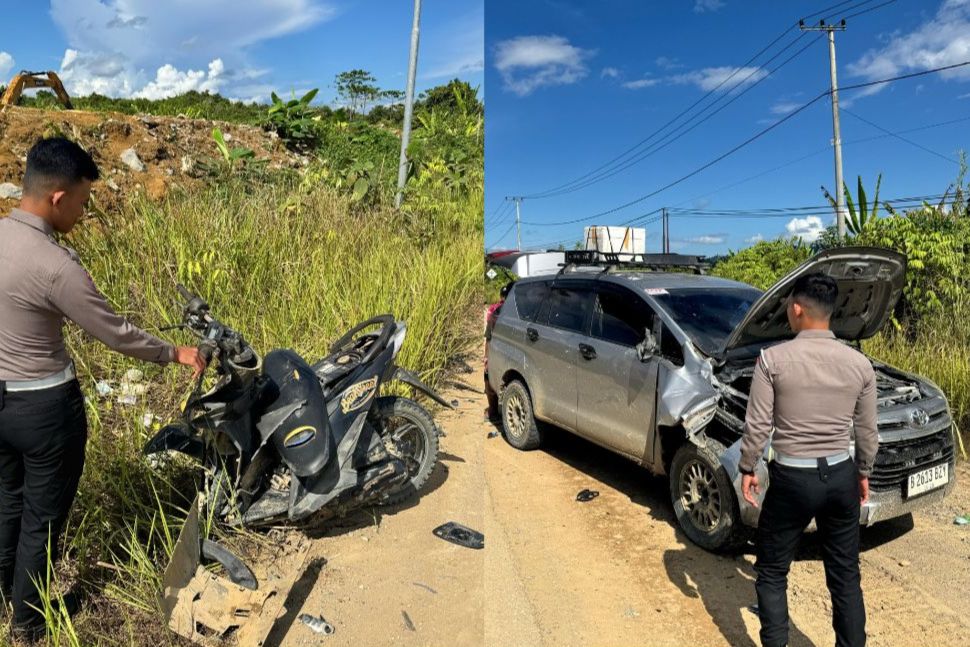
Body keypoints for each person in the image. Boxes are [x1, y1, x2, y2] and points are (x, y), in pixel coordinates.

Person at [0, 138, 205, 640]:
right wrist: (174, 353)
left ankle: (8, 592)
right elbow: (115, 333)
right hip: (45, 409)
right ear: (56, 198)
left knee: (7, 499)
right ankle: (28, 622)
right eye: (83, 201)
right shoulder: (55, 265)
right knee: (43, 517)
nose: (84, 212)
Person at [739, 272, 878, 647]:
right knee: (845, 575)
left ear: (797, 309)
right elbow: (867, 433)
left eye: (788, 306)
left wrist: (747, 467)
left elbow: (758, 424)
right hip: (839, 476)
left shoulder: (772, 360)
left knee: (771, 571)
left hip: (791, 480)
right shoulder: (859, 365)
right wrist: (862, 472)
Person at [484, 281, 514, 421]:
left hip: (501, 352)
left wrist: (486, 358)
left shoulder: (497, 311)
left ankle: (493, 411)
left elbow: (488, 338)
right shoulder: (498, 311)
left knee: (488, 377)